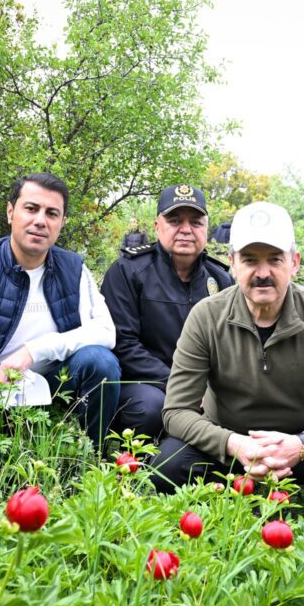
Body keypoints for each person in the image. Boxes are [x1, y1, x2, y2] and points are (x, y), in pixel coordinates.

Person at [151, 202, 304, 517]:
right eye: (250, 260)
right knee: (169, 462)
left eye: (275, 259)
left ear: (294, 262)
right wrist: (234, 444)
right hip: (229, 452)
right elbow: (176, 411)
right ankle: (207, 530)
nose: (263, 273)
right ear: (232, 263)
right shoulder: (206, 315)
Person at [0, 172, 120, 451]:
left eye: (52, 213)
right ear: (10, 212)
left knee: (100, 361)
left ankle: (91, 456)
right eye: (31, 208)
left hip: (50, 391)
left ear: (61, 224)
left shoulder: (75, 270)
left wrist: (34, 351)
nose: (40, 220)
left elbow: (105, 332)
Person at [101, 184, 234, 439]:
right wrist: (182, 385)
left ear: (206, 228)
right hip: (144, 383)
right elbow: (124, 345)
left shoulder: (221, 280)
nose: (186, 229)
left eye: (196, 222)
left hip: (204, 388)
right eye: (174, 220)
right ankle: (135, 470)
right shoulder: (128, 271)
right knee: (151, 408)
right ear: (157, 226)